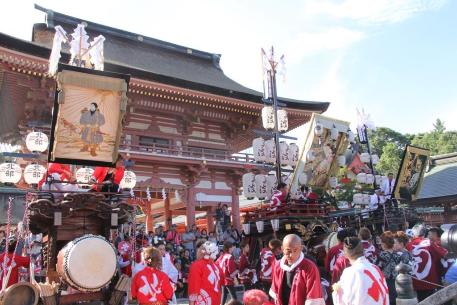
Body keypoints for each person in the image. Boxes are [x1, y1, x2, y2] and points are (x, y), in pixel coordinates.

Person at [270, 234, 324, 305]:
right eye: (288, 251)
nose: (291, 255)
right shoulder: (278, 266)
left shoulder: (309, 267)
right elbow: (275, 293)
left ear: (301, 248)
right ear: (282, 249)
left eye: (295, 250)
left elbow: (313, 296)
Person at [332, 237, 389, 305]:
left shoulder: (350, 272)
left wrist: (337, 292)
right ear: (363, 251)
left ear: (345, 254)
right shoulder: (375, 268)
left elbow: (346, 300)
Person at [406, 223, 448, 301]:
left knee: (421, 299)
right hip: (430, 280)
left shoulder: (408, 245)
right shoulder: (429, 243)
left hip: (415, 280)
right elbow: (444, 254)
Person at [377, 231, 400, 305]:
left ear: (384, 244)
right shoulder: (397, 255)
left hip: (386, 283)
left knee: (388, 301)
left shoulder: (382, 255)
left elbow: (377, 269)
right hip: (397, 282)